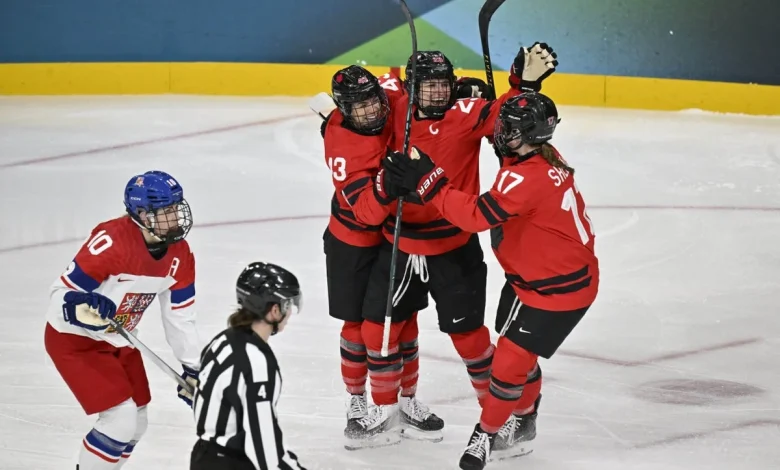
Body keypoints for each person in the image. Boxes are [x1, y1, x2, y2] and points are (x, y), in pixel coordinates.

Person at [381, 92, 599, 470]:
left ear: (531, 134)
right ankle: (525, 417)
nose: (499, 133)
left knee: (509, 364)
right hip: (526, 280)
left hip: (557, 291)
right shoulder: (541, 156)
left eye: (508, 130)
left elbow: (474, 217)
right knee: (517, 358)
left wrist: (429, 180)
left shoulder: (525, 178)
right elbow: (510, 169)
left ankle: (486, 435)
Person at [364, 43, 558, 434]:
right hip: (399, 242)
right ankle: (391, 406)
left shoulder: (467, 113)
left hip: (454, 245)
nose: (438, 93)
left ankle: (499, 419)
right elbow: (361, 106)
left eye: (443, 85)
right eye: (428, 85)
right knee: (382, 332)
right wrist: (334, 122)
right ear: (410, 86)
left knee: (470, 339)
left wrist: (525, 84)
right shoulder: (393, 107)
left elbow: (510, 116)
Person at [321, 65, 443, 447]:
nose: (373, 112)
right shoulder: (342, 144)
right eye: (360, 108)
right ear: (344, 110)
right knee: (358, 326)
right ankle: (357, 401)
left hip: (396, 236)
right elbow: (365, 213)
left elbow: (401, 80)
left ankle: (405, 400)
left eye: (374, 101)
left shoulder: (387, 99)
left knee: (403, 320)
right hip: (353, 242)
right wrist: (386, 184)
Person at [43, 171, 200, 470]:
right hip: (75, 341)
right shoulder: (112, 241)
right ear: (142, 215)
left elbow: (181, 317)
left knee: (137, 422)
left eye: (176, 208)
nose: (176, 218)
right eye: (166, 212)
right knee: (120, 419)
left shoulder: (181, 255)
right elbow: (60, 295)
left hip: (118, 339)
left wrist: (194, 368)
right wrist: (80, 304)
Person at [190, 262, 306, 470]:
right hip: (232, 463)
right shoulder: (256, 361)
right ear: (274, 310)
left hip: (203, 457)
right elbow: (263, 445)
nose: (289, 314)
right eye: (287, 305)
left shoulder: (221, 341)